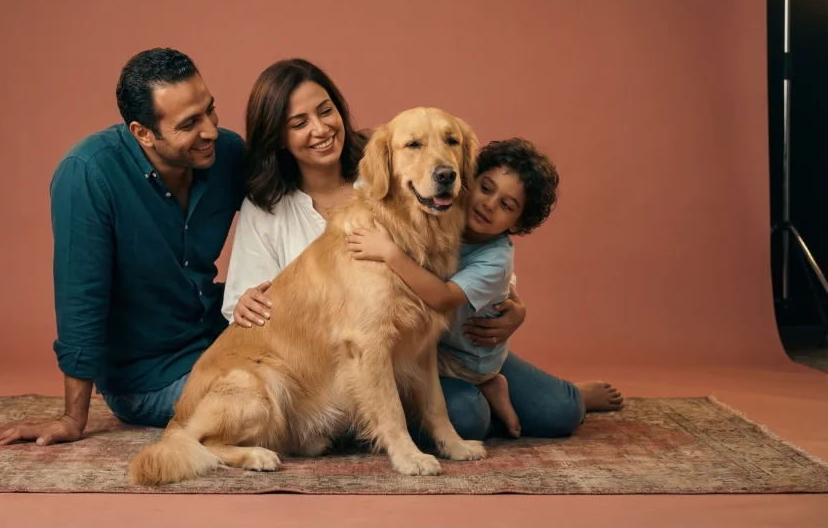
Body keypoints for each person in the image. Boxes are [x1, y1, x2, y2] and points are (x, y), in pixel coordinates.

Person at [225, 58, 623, 441]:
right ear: (278, 137)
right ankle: (474, 398)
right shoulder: (267, 210)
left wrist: (514, 304)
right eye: (299, 123)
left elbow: (466, 242)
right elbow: (250, 306)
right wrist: (244, 303)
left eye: (325, 111)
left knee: (561, 410)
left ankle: (556, 391)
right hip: (351, 363)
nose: (320, 128)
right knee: (469, 417)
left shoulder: (394, 166)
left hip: (442, 339)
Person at [0, 47, 246, 446]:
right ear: (143, 132)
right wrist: (74, 417)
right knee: (268, 405)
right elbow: (81, 296)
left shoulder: (225, 154)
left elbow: (298, 187)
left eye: (210, 110)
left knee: (323, 381)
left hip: (222, 337)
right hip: (148, 376)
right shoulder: (88, 174)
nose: (211, 130)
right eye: (190, 123)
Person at [346, 137, 563, 439]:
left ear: (517, 222)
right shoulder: (442, 206)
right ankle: (492, 390)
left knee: (561, 411)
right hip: (435, 343)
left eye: (506, 205)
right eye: (485, 188)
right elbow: (377, 180)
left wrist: (389, 253)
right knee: (470, 417)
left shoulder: (496, 259)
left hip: (464, 357)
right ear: (470, 180)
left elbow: (443, 298)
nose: (488, 205)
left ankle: (497, 384)